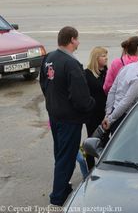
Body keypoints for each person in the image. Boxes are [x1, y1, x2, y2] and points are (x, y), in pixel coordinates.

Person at [39, 26, 95, 206]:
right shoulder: (71, 63)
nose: (78, 43)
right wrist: (90, 106)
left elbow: (44, 84)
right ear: (72, 40)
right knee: (67, 157)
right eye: (77, 39)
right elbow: (80, 97)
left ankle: (63, 188)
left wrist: (53, 103)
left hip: (55, 116)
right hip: (69, 119)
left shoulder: (49, 58)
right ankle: (57, 198)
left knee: (60, 153)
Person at [103, 39, 138, 132]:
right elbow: (126, 101)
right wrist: (110, 119)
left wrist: (108, 113)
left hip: (115, 112)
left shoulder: (128, 67)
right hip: (125, 118)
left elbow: (112, 91)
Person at [84, 46, 108, 170]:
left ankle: (103, 166)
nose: (106, 58)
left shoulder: (107, 71)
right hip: (92, 114)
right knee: (92, 141)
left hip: (105, 113)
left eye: (106, 55)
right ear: (96, 58)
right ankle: (90, 167)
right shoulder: (86, 74)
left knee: (105, 140)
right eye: (103, 56)